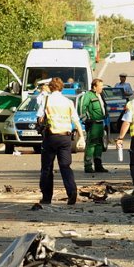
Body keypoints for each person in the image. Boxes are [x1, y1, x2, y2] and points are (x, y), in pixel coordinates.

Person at [37, 77, 85, 205]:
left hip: (51, 137)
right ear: (62, 87)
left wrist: (40, 126)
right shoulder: (68, 102)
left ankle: (47, 197)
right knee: (65, 166)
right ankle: (72, 191)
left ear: (51, 87)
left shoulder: (45, 100)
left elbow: (40, 117)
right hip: (65, 137)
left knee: (47, 167)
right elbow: (75, 119)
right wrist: (81, 136)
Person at [78, 78, 109, 173]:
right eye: (100, 86)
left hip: (100, 123)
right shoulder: (87, 95)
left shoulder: (100, 95)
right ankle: (88, 166)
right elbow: (81, 108)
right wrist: (86, 120)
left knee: (99, 144)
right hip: (93, 124)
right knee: (91, 144)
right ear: (94, 87)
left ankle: (98, 165)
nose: (101, 88)